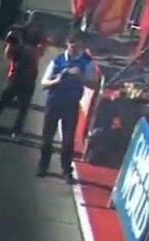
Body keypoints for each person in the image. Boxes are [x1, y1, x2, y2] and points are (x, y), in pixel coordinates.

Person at [37, 30, 98, 182]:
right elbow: (44, 83)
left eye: (77, 44)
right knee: (47, 138)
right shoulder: (57, 60)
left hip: (71, 104)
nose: (74, 47)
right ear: (67, 43)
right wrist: (57, 80)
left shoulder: (87, 62)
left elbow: (94, 84)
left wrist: (80, 76)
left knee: (68, 140)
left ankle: (66, 170)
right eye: (72, 44)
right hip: (54, 101)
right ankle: (43, 166)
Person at [0, 12, 43, 140]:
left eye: (35, 24)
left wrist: (21, 45)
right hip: (15, 75)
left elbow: (38, 52)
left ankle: (16, 131)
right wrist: (11, 43)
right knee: (0, 104)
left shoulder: (39, 38)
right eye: (31, 23)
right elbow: (8, 55)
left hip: (29, 76)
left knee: (23, 108)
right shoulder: (20, 33)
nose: (33, 27)